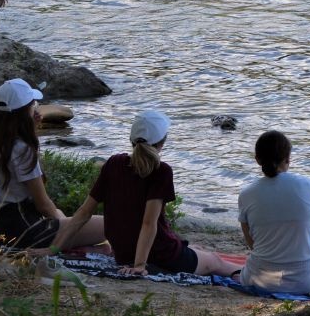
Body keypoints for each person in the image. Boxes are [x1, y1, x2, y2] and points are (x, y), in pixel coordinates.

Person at [47, 111, 240, 276]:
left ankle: (189, 252)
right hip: (159, 254)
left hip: (123, 252)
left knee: (192, 249)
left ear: (132, 140)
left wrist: (54, 249)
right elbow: (148, 224)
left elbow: (84, 213)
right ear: (162, 142)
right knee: (215, 261)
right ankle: (245, 275)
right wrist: (140, 265)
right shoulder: (161, 171)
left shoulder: (114, 163)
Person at [0, 78, 105, 250]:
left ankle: (70, 244)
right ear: (25, 111)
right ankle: (64, 246)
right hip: (24, 231)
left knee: (64, 219)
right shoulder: (21, 149)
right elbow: (43, 205)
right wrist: (66, 229)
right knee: (108, 225)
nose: (36, 107)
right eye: (33, 103)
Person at [237, 131, 310, 294]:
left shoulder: (246, 194)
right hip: (307, 282)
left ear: (257, 160)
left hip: (259, 280)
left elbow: (252, 245)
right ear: (288, 159)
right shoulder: (309, 185)